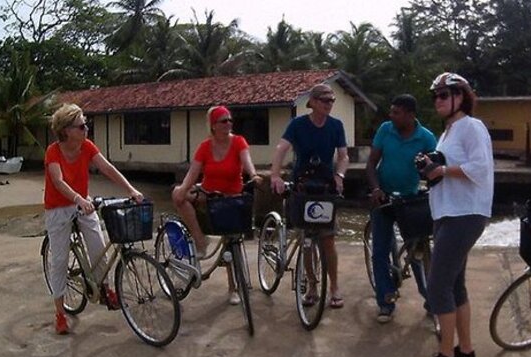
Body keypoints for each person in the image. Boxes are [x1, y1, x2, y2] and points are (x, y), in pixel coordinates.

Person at [417, 72, 494, 357]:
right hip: (449, 213)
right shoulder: (447, 132)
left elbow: (480, 168)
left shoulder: (471, 127)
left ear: (460, 97)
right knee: (455, 285)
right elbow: (443, 170)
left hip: (466, 213)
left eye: (444, 95)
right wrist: (431, 168)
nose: (438, 100)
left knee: (437, 286)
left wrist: (442, 169)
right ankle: (466, 351)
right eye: (435, 95)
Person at [44, 103, 144, 335]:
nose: (86, 129)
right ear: (66, 130)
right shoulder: (53, 151)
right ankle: (60, 312)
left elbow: (107, 168)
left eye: (85, 125)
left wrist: (131, 190)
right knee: (59, 261)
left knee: (99, 247)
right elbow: (58, 182)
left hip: (83, 204)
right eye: (81, 126)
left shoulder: (87, 146)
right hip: (58, 208)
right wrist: (79, 199)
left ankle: (106, 288)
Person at [171, 105, 262, 305]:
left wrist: (254, 175)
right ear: (213, 126)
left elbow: (247, 162)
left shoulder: (238, 142)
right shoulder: (205, 146)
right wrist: (183, 189)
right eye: (223, 121)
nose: (228, 124)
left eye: (230, 120)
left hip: (232, 196)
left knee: (232, 238)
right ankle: (200, 239)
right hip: (209, 193)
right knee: (179, 196)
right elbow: (193, 173)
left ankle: (233, 288)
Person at [270, 83, 349, 308]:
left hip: (325, 186)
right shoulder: (297, 125)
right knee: (305, 239)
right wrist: (275, 175)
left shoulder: (336, 126)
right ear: (312, 102)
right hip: (302, 184)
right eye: (324, 100)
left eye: (332, 100)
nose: (329, 104)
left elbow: (343, 156)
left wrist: (340, 176)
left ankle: (334, 286)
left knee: (328, 238)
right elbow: (281, 149)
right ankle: (312, 286)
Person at [365, 94, 437, 323]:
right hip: (384, 199)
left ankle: (430, 298)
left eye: (396, 112)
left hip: (411, 200)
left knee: (417, 251)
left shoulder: (426, 138)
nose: (391, 115)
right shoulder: (386, 130)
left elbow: (434, 170)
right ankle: (385, 301)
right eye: (392, 111)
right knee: (379, 251)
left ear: (410, 115)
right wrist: (376, 188)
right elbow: (371, 162)